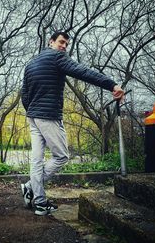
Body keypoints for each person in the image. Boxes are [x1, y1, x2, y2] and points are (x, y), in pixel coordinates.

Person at [21, 31, 124, 216]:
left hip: (33, 116)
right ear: (51, 42)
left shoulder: (31, 63)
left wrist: (32, 111)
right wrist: (112, 85)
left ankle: (40, 202)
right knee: (61, 156)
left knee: (36, 160)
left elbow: (25, 94)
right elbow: (83, 72)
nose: (64, 47)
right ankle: (31, 187)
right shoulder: (57, 58)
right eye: (61, 42)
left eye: (66, 44)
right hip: (48, 115)